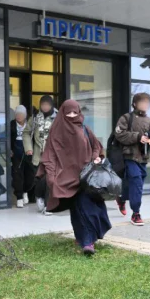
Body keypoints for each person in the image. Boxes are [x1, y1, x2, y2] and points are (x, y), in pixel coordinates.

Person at [38, 99, 111, 256]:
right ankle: (87, 241)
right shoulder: (56, 131)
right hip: (66, 179)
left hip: (87, 177)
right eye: (68, 113)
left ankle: (86, 239)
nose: (72, 116)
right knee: (78, 210)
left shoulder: (84, 129)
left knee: (88, 208)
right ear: (62, 113)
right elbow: (49, 156)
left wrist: (95, 158)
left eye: (75, 112)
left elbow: (96, 146)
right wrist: (51, 177)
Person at [114, 92, 150, 226]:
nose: (145, 105)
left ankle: (122, 198)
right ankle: (136, 213)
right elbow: (119, 135)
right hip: (128, 156)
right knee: (136, 181)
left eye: (147, 103)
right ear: (134, 104)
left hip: (143, 157)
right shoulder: (126, 118)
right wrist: (138, 137)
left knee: (134, 182)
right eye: (142, 102)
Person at [28, 95, 57, 215]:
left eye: (47, 105)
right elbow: (26, 133)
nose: (45, 107)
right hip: (38, 155)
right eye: (43, 105)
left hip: (53, 155)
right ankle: (39, 196)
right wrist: (28, 148)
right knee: (39, 179)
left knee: (50, 180)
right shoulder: (35, 118)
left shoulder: (58, 117)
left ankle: (48, 205)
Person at [10, 105, 34, 208]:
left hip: (28, 152)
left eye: (20, 114)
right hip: (16, 152)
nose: (18, 116)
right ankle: (19, 197)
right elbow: (8, 138)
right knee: (17, 175)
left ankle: (25, 191)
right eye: (17, 114)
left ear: (25, 116)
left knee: (30, 175)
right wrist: (9, 150)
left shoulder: (30, 124)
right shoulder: (11, 124)